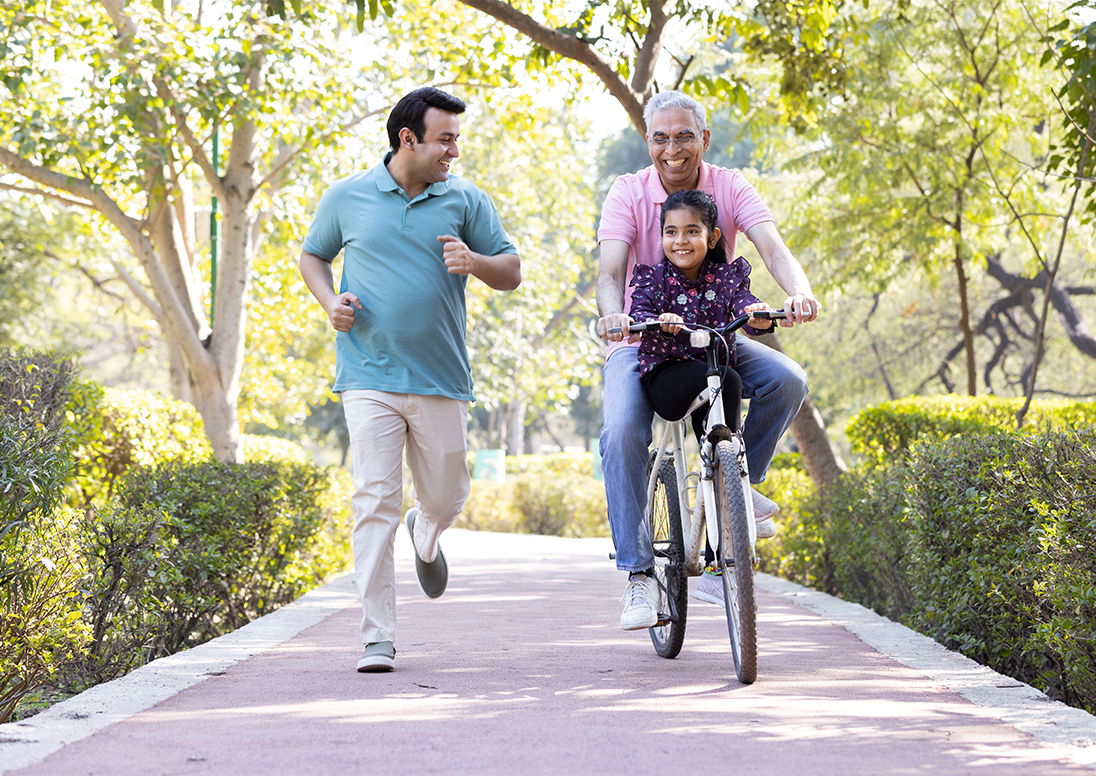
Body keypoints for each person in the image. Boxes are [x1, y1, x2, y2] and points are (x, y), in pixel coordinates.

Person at [299, 87, 521, 673]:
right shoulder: (347, 196)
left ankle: (429, 528)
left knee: (447, 494)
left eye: (456, 139)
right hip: (367, 374)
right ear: (408, 139)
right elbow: (313, 257)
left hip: (440, 377)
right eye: (445, 139)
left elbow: (512, 271)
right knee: (374, 500)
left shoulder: (466, 199)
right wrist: (330, 303)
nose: (455, 150)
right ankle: (377, 636)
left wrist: (474, 263)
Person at [595, 91, 820, 631]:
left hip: (712, 332)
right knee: (622, 430)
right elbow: (609, 273)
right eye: (659, 137)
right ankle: (639, 576)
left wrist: (798, 292)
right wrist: (611, 318)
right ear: (648, 141)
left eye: (683, 136)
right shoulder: (627, 192)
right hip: (641, 339)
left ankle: (734, 494)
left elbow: (771, 246)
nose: (671, 149)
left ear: (704, 139)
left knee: (787, 381)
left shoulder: (730, 185)